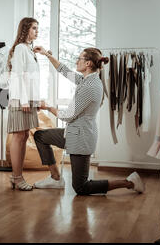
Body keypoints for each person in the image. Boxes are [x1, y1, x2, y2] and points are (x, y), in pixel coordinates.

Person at [32, 46, 145, 195]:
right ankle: (55, 178)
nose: (76, 61)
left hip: (81, 138)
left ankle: (129, 182)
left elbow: (68, 115)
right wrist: (47, 55)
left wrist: (48, 107)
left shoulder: (90, 86)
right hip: (72, 133)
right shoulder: (86, 80)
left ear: (88, 64)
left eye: (79, 58)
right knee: (40, 136)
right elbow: (64, 70)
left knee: (81, 187)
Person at [6, 17, 41, 191]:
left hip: (28, 99)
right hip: (21, 99)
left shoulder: (29, 49)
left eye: (37, 28)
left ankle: (17, 176)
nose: (37, 31)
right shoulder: (20, 48)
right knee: (19, 137)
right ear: (25, 29)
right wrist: (24, 100)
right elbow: (18, 75)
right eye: (34, 28)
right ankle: (17, 177)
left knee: (24, 136)